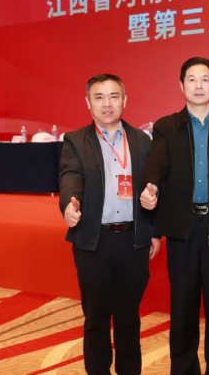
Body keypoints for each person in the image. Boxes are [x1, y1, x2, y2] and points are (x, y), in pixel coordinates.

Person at [140, 57, 209, 375]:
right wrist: (151, 187)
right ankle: (184, 369)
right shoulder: (167, 126)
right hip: (183, 227)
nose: (199, 85)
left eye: (205, 79)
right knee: (183, 307)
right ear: (181, 86)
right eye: (192, 79)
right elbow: (157, 165)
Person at [59, 74, 160, 375]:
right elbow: (70, 177)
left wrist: (153, 221)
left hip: (132, 242)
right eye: (99, 97)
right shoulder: (76, 140)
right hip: (94, 242)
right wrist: (69, 204)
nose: (107, 103)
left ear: (124, 100)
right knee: (96, 319)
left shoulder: (142, 140)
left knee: (129, 319)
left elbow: (154, 182)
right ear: (88, 102)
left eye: (114, 96)